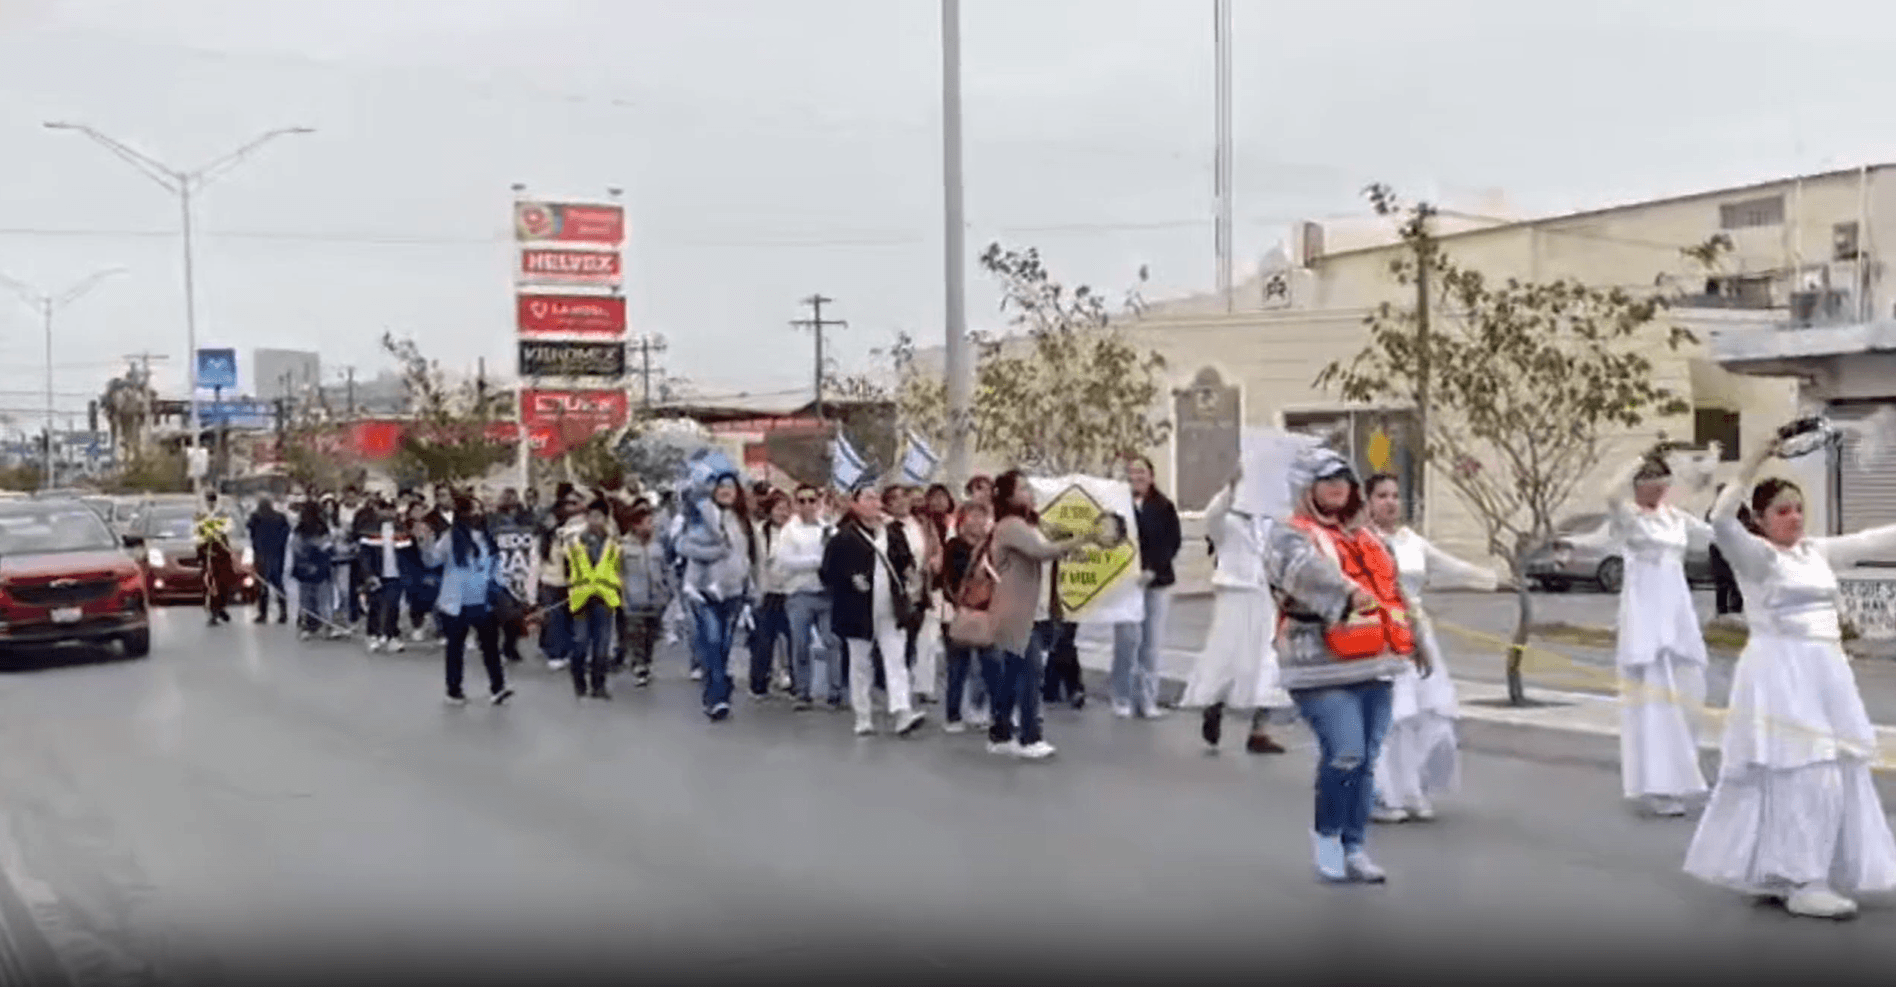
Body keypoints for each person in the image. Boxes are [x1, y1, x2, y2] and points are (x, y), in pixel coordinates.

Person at [1683, 434, 1896, 919]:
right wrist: (1757, 457)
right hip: (1781, 672)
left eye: (1798, 509)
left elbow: (1870, 541)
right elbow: (1719, 518)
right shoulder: (1758, 558)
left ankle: (1783, 869)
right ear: (1759, 520)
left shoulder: (1813, 552)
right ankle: (1804, 879)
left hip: (1827, 674)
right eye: (1782, 511)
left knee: (1830, 771)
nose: (1794, 518)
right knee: (1804, 772)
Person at [1265, 445, 1431, 883]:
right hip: (1316, 664)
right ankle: (1328, 841)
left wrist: (1416, 639)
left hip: (1375, 662)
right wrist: (1347, 592)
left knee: (1365, 761)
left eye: (1344, 479)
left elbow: (1395, 589)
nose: (1338, 487)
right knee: (1345, 753)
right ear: (1306, 488)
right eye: (1327, 480)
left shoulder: (1366, 537)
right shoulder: (1288, 533)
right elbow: (1303, 573)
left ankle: (1353, 847)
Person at [1363, 473, 1500, 821]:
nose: (1391, 502)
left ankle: (1413, 788)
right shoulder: (1362, 541)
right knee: (1394, 716)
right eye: (1382, 495)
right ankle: (1384, 793)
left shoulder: (1411, 541)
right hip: (1381, 634)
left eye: (1395, 495)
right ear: (1367, 502)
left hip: (1418, 633)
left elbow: (1448, 565)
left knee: (1430, 715)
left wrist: (1492, 577)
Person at [1605, 449, 1713, 817]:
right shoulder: (1629, 519)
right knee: (1654, 702)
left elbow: (1716, 534)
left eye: (1660, 480)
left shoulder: (1675, 518)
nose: (1656, 486)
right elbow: (1610, 494)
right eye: (1648, 480)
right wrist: (1638, 459)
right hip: (1646, 615)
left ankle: (1683, 776)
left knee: (1689, 693)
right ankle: (1658, 784)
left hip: (1678, 610)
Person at [1181, 466, 1292, 755]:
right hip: (1234, 591)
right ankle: (1214, 704)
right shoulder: (1225, 520)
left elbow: (1277, 553)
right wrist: (1231, 484)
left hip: (1262, 593)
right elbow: (1212, 515)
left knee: (1267, 659)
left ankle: (1259, 730)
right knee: (1227, 655)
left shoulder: (1267, 521)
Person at [983, 470, 1091, 759]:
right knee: (1031, 671)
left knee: (1013, 672)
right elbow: (1040, 551)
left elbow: (1050, 549)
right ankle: (1030, 737)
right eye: (1022, 489)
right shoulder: (1009, 525)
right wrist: (1081, 540)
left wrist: (1067, 549)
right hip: (1015, 611)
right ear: (1008, 496)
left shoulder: (1029, 523)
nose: (1029, 493)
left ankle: (1000, 733)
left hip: (1032, 610)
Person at [820, 486, 927, 738]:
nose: (875, 502)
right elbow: (827, 573)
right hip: (858, 611)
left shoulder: (893, 532)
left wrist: (911, 577)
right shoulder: (844, 537)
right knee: (860, 663)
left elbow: (905, 561)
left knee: (896, 659)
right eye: (868, 498)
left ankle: (902, 712)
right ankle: (863, 716)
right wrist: (850, 580)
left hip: (892, 607)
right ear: (855, 505)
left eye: (877, 498)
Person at [674, 472, 759, 722]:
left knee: (723, 645)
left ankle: (718, 689)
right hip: (704, 591)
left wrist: (753, 587)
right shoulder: (702, 517)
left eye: (730, 487)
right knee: (711, 640)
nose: (725, 491)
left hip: (734, 592)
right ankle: (717, 698)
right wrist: (717, 549)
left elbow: (750, 558)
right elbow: (684, 547)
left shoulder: (743, 521)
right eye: (721, 487)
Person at [424, 497, 513, 707]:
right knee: (456, 648)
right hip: (455, 604)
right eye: (473, 511)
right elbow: (432, 560)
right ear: (463, 515)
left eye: (480, 510)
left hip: (484, 602)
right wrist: (425, 541)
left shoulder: (488, 537)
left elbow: (496, 567)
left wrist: (502, 589)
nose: (478, 515)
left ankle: (498, 688)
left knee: (490, 647)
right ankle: (454, 690)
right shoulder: (450, 538)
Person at [1112, 456, 1181, 719]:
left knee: (1151, 643)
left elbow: (1172, 541)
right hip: (1126, 584)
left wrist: (1153, 569)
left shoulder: (1163, 506)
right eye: (1132, 472)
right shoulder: (1118, 506)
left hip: (1156, 582)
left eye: (1142, 472)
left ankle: (1148, 699)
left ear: (1151, 476)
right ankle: (1121, 697)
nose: (1136, 477)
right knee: (1126, 642)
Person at [777, 484, 841, 711]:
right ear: (795, 504)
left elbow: (837, 558)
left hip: (826, 594)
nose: (807, 506)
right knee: (801, 644)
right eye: (802, 501)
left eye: (812, 500)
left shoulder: (829, 529)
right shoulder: (789, 530)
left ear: (819, 503)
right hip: (799, 594)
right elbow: (786, 561)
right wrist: (817, 561)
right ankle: (803, 692)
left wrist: (820, 561)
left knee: (832, 642)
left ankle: (835, 692)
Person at [940, 500, 996, 733]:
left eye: (982, 516)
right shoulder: (954, 546)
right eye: (972, 516)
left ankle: (979, 707)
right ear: (962, 520)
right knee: (957, 667)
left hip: (988, 611)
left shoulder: (992, 545)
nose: (978, 521)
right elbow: (949, 578)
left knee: (987, 665)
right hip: (961, 611)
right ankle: (953, 715)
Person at [566, 499, 623, 700]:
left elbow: (618, 569)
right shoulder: (574, 542)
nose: (594, 521)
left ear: (606, 520)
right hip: (581, 597)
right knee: (580, 642)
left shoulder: (614, 544)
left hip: (605, 598)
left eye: (598, 517)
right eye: (591, 516)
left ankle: (599, 685)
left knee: (602, 645)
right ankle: (579, 681)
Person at [619, 503, 673, 688]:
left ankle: (646, 663)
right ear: (636, 525)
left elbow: (665, 569)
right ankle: (639, 665)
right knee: (635, 635)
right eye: (648, 522)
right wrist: (621, 594)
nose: (652, 526)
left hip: (655, 599)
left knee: (650, 635)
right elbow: (617, 572)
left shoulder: (657, 546)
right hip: (633, 599)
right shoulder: (623, 546)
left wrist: (667, 592)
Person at [748, 493, 796, 702]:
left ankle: (798, 684)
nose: (783, 513)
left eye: (786, 508)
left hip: (792, 593)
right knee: (763, 641)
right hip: (767, 593)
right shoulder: (760, 532)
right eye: (778, 508)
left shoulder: (796, 531)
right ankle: (759, 683)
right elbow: (752, 563)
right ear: (770, 510)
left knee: (796, 641)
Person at [359, 501, 414, 654]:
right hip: (376, 574)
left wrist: (408, 575)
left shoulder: (401, 530)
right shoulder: (370, 529)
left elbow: (408, 555)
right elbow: (364, 555)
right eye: (385, 510)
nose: (388, 514)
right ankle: (373, 635)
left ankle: (392, 636)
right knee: (375, 604)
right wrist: (368, 574)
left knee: (393, 605)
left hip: (395, 575)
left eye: (391, 510)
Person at [286, 501, 337, 641]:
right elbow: (328, 547)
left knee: (306, 600)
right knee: (324, 599)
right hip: (321, 568)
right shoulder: (322, 528)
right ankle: (327, 626)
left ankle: (309, 626)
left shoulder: (299, 529)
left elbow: (295, 548)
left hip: (304, 569)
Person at [195, 492, 238, 626]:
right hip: (209, 555)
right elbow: (199, 535)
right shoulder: (202, 515)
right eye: (209, 500)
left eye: (213, 500)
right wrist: (200, 555)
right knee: (210, 585)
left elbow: (227, 530)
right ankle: (213, 613)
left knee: (224, 584)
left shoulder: (222, 514)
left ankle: (221, 608)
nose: (211, 503)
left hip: (222, 554)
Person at [246, 496, 291, 625]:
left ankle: (263, 613)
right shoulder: (280, 517)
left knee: (262, 584)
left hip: (261, 554)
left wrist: (257, 545)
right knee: (278, 584)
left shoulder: (256, 517)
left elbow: (250, 530)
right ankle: (283, 613)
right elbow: (286, 532)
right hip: (277, 554)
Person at [1706, 484, 1746, 617]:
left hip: (1735, 551)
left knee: (1736, 584)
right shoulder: (1712, 511)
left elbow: (1747, 528)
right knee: (1721, 585)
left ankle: (1735, 613)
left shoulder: (1741, 509)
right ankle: (1722, 613)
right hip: (1718, 552)